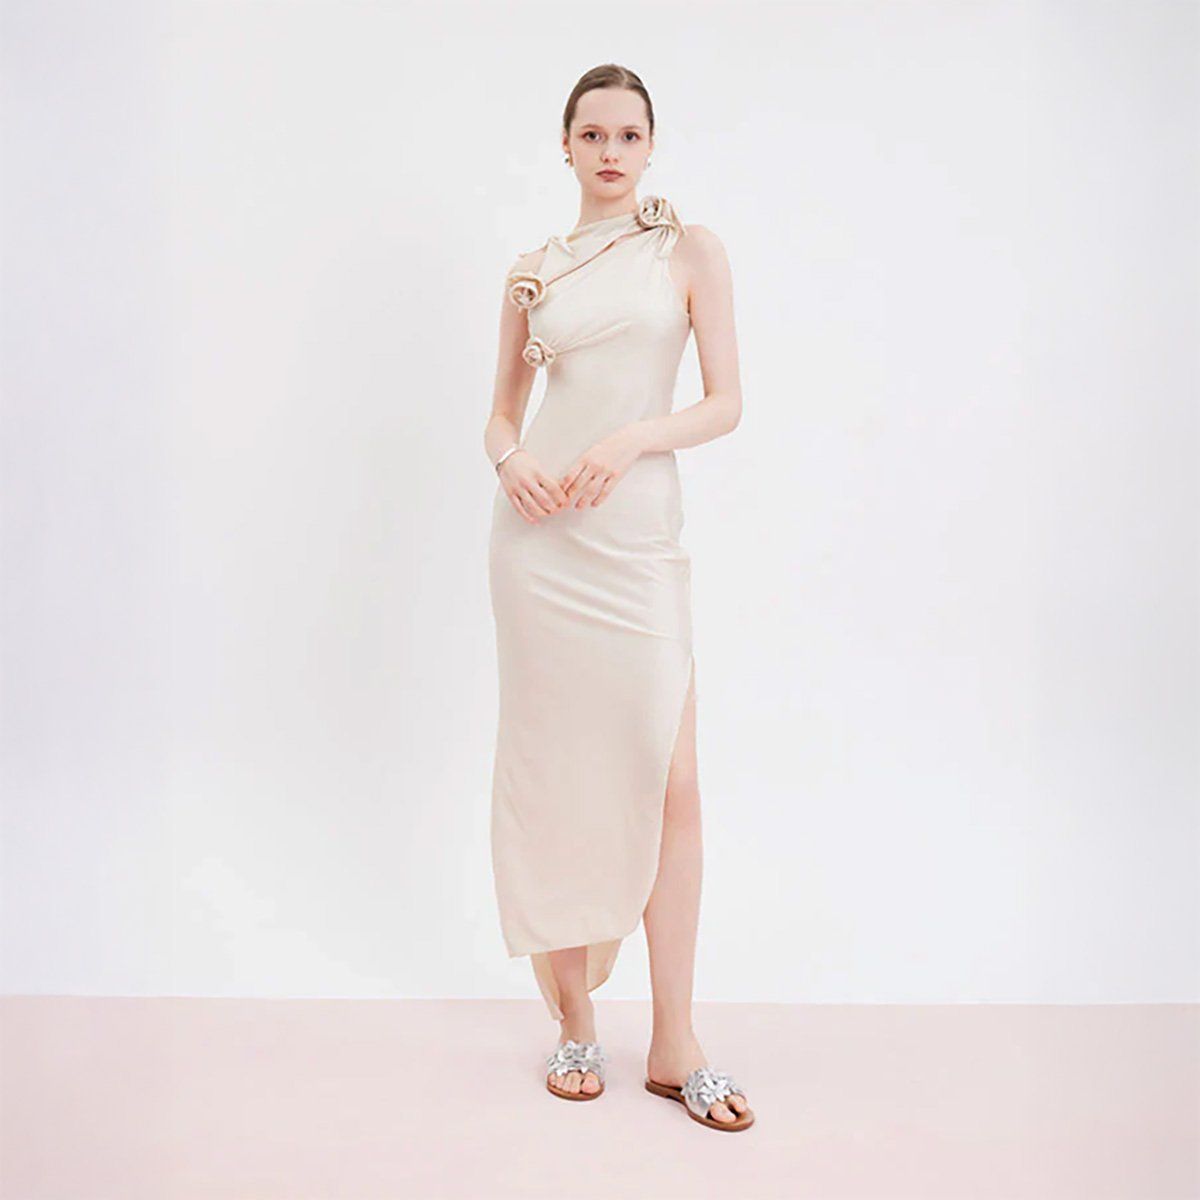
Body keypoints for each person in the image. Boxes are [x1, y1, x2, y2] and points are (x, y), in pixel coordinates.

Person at [484, 63, 752, 1132]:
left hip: (636, 539)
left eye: (627, 134)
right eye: (591, 133)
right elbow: (500, 417)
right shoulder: (532, 271)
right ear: (564, 145)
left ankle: (676, 1038)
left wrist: (634, 436)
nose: (609, 150)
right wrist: (510, 462)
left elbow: (726, 403)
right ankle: (576, 1022)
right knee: (556, 777)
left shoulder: (689, 250)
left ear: (650, 145)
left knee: (671, 779)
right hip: (540, 541)